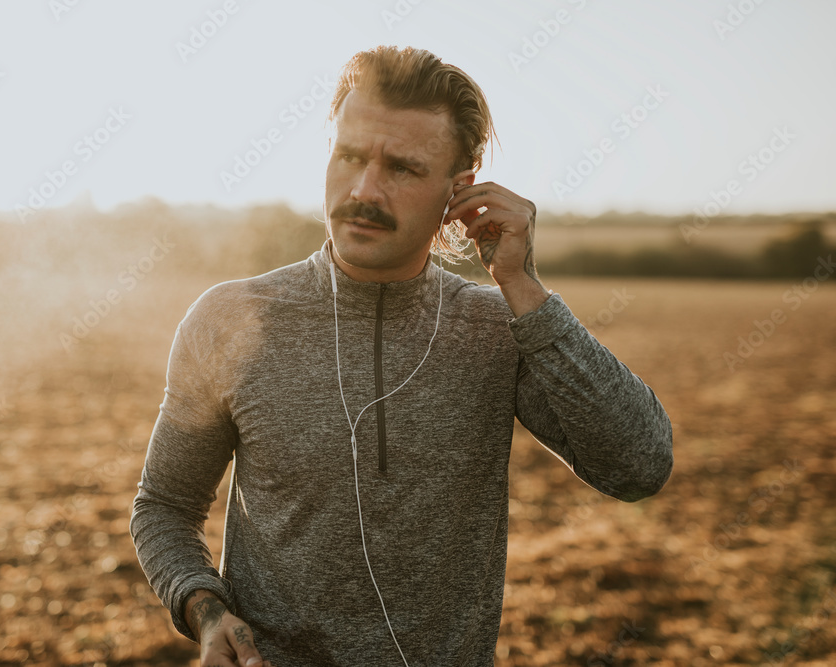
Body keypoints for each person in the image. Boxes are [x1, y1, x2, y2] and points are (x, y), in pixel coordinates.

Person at [130, 45, 673, 667]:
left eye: (403, 168)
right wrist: (204, 608)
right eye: (350, 156)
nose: (365, 189)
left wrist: (522, 286)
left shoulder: (500, 327)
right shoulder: (230, 320)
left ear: (459, 192)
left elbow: (640, 464)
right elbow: (164, 507)